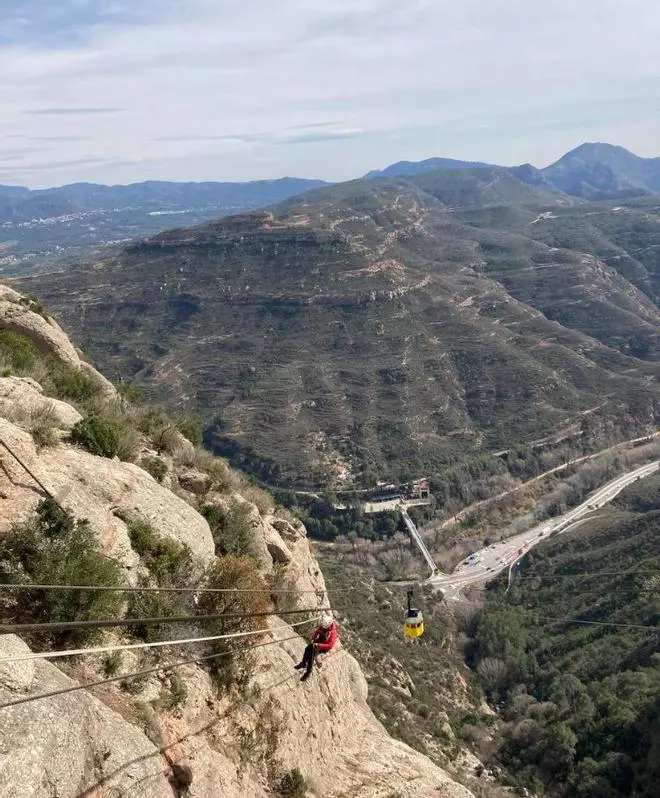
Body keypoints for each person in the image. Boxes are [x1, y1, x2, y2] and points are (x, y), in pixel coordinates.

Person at [295, 612, 337, 681]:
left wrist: (318, 645)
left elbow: (330, 645)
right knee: (307, 648)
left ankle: (308, 672)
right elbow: (317, 631)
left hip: (325, 646)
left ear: (329, 626)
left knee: (312, 652)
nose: (323, 628)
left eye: (325, 628)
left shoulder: (333, 633)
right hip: (320, 640)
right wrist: (313, 638)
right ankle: (303, 663)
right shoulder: (324, 625)